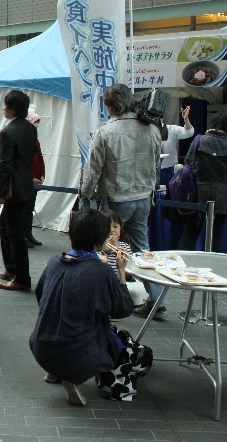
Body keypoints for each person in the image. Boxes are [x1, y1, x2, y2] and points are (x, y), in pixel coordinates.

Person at [29, 209, 134, 407]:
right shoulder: (101, 272)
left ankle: (55, 371)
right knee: (124, 345)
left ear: (70, 233)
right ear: (102, 239)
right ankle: (74, 376)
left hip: (41, 346)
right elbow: (123, 309)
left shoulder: (54, 262)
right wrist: (121, 272)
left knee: (67, 319)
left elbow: (40, 295)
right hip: (78, 355)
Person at [80, 83, 161, 316]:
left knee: (104, 247)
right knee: (142, 250)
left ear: (111, 106)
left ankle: (105, 298)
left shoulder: (106, 132)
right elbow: (156, 165)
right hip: (144, 197)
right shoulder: (152, 129)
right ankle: (157, 301)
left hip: (117, 198)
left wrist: (84, 194)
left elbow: (93, 170)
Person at [175, 111, 227, 258]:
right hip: (222, 197)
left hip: (197, 194)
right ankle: (210, 268)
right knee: (215, 238)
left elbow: (188, 164)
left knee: (190, 233)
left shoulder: (199, 140)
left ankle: (181, 264)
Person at [0, 90, 37, 292]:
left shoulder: (8, 132)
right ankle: (11, 267)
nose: (3, 108)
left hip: (14, 189)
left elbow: (5, 165)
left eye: (5, 105)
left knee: (15, 234)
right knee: (6, 225)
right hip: (26, 186)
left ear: (12, 108)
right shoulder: (30, 128)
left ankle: (22, 277)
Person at [24, 110, 45, 248]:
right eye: (35, 122)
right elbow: (23, 161)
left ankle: (28, 234)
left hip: (36, 179)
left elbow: (40, 158)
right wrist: (30, 178)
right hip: (27, 181)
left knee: (30, 208)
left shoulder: (35, 140)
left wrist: (42, 173)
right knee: (25, 209)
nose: (37, 125)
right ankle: (24, 235)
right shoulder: (25, 140)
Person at [159, 105, 194, 186]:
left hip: (169, 169)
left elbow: (189, 132)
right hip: (151, 169)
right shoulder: (147, 130)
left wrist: (185, 118)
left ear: (162, 119)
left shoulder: (171, 129)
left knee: (170, 195)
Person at [98, 209, 132, 278]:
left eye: (115, 226)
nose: (112, 230)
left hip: (119, 283)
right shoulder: (97, 246)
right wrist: (106, 249)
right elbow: (94, 262)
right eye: (107, 227)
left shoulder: (125, 246)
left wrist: (128, 273)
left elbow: (130, 269)